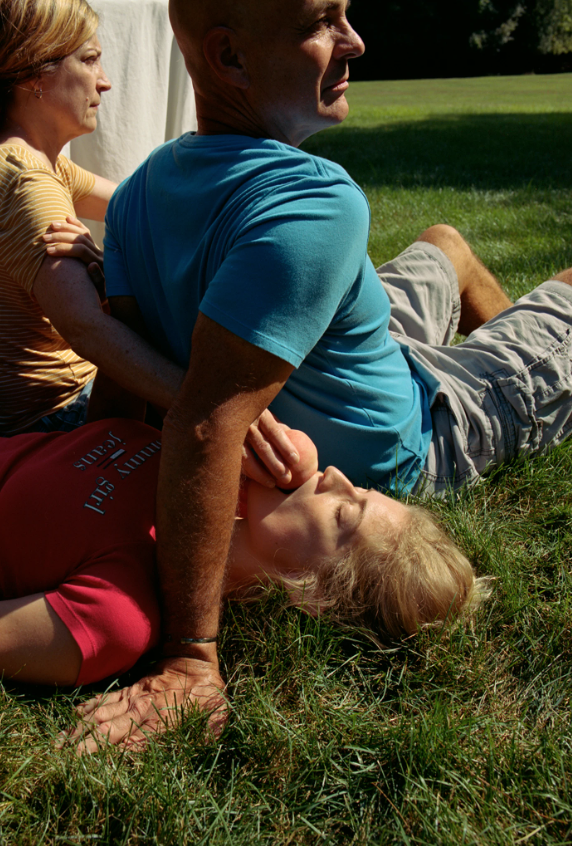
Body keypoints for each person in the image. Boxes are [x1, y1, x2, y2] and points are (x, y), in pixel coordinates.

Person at [78, 0, 572, 747]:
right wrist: (190, 655)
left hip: (346, 346)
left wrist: (77, 469)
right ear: (230, 58)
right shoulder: (315, 204)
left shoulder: (144, 189)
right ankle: (494, 367)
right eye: (321, 23)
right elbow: (208, 422)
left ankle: (480, 312)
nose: (356, 40)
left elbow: (126, 386)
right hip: (421, 426)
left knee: (440, 243)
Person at [0, 421, 483, 696]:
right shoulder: (225, 469)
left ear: (311, 593)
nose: (332, 475)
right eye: (356, 486)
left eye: (343, 514)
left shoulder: (118, 617)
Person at [0, 0, 183, 436]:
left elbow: (137, 207)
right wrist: (205, 406)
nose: (104, 82)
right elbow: (88, 331)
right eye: (89, 60)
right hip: (55, 419)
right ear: (32, 74)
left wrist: (107, 263)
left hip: (30, 410)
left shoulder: (31, 163)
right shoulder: (24, 181)